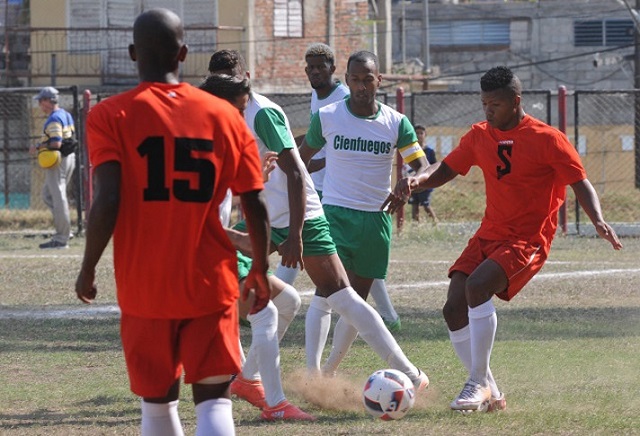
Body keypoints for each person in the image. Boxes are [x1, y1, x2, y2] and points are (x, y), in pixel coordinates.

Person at [74, 10, 272, 436]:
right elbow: (254, 200)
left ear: (132, 54)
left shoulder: (110, 115)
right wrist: (260, 268)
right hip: (210, 282)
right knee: (215, 400)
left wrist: (89, 265)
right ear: (184, 53)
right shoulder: (223, 116)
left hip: (145, 286)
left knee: (159, 407)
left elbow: (108, 198)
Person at [385, 66, 623, 413]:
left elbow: (579, 181)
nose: (487, 110)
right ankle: (492, 393)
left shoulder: (547, 138)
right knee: (453, 308)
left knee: (478, 288)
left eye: (494, 104)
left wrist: (598, 220)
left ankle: (477, 381)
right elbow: (447, 168)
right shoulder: (480, 135)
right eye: (483, 103)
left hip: (528, 239)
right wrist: (417, 181)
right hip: (489, 234)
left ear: (515, 101)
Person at [208, 49, 429, 392]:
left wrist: (295, 234)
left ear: (244, 80)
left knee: (339, 296)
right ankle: (250, 378)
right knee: (280, 300)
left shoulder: (262, 113)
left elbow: (296, 170)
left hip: (303, 215)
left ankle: (408, 374)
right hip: (267, 215)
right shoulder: (226, 116)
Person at [298, 50, 431, 377]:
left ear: (379, 80)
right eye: (355, 80)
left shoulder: (396, 122)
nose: (361, 86)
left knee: (355, 301)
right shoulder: (327, 116)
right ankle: (313, 373)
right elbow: (300, 161)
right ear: (347, 81)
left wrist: (410, 180)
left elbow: (423, 166)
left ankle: (329, 372)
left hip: (375, 220)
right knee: (326, 293)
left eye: (367, 79)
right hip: (334, 216)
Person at [199, 73, 315, 421]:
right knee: (265, 312)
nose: (244, 115)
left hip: (217, 246)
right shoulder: (202, 142)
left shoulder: (218, 138)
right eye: (240, 107)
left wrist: (255, 180)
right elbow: (197, 215)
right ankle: (276, 404)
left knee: (288, 301)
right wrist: (239, 240)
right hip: (205, 250)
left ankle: (247, 380)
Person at [277, 42, 403, 333]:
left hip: (337, 194)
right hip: (319, 192)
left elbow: (340, 150)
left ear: (335, 71)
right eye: (310, 67)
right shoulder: (319, 98)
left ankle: (274, 298)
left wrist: (309, 165)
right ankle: (387, 315)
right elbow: (316, 139)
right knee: (335, 267)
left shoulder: (346, 98)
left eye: (321, 67)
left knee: (339, 268)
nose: (315, 71)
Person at [30, 86, 75, 249]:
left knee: (58, 197)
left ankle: (62, 238)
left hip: (58, 160)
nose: (40, 104)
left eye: (41, 100)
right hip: (69, 158)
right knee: (48, 195)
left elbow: (56, 143)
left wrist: (38, 146)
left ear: (49, 101)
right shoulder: (65, 114)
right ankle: (65, 229)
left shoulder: (54, 119)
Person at [406, 124, 438, 223]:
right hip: (413, 181)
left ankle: (435, 222)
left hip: (425, 183)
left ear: (425, 135)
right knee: (414, 205)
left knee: (426, 205)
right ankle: (416, 225)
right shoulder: (410, 151)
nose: (419, 135)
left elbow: (433, 166)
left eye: (421, 133)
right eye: (417, 133)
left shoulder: (429, 151)